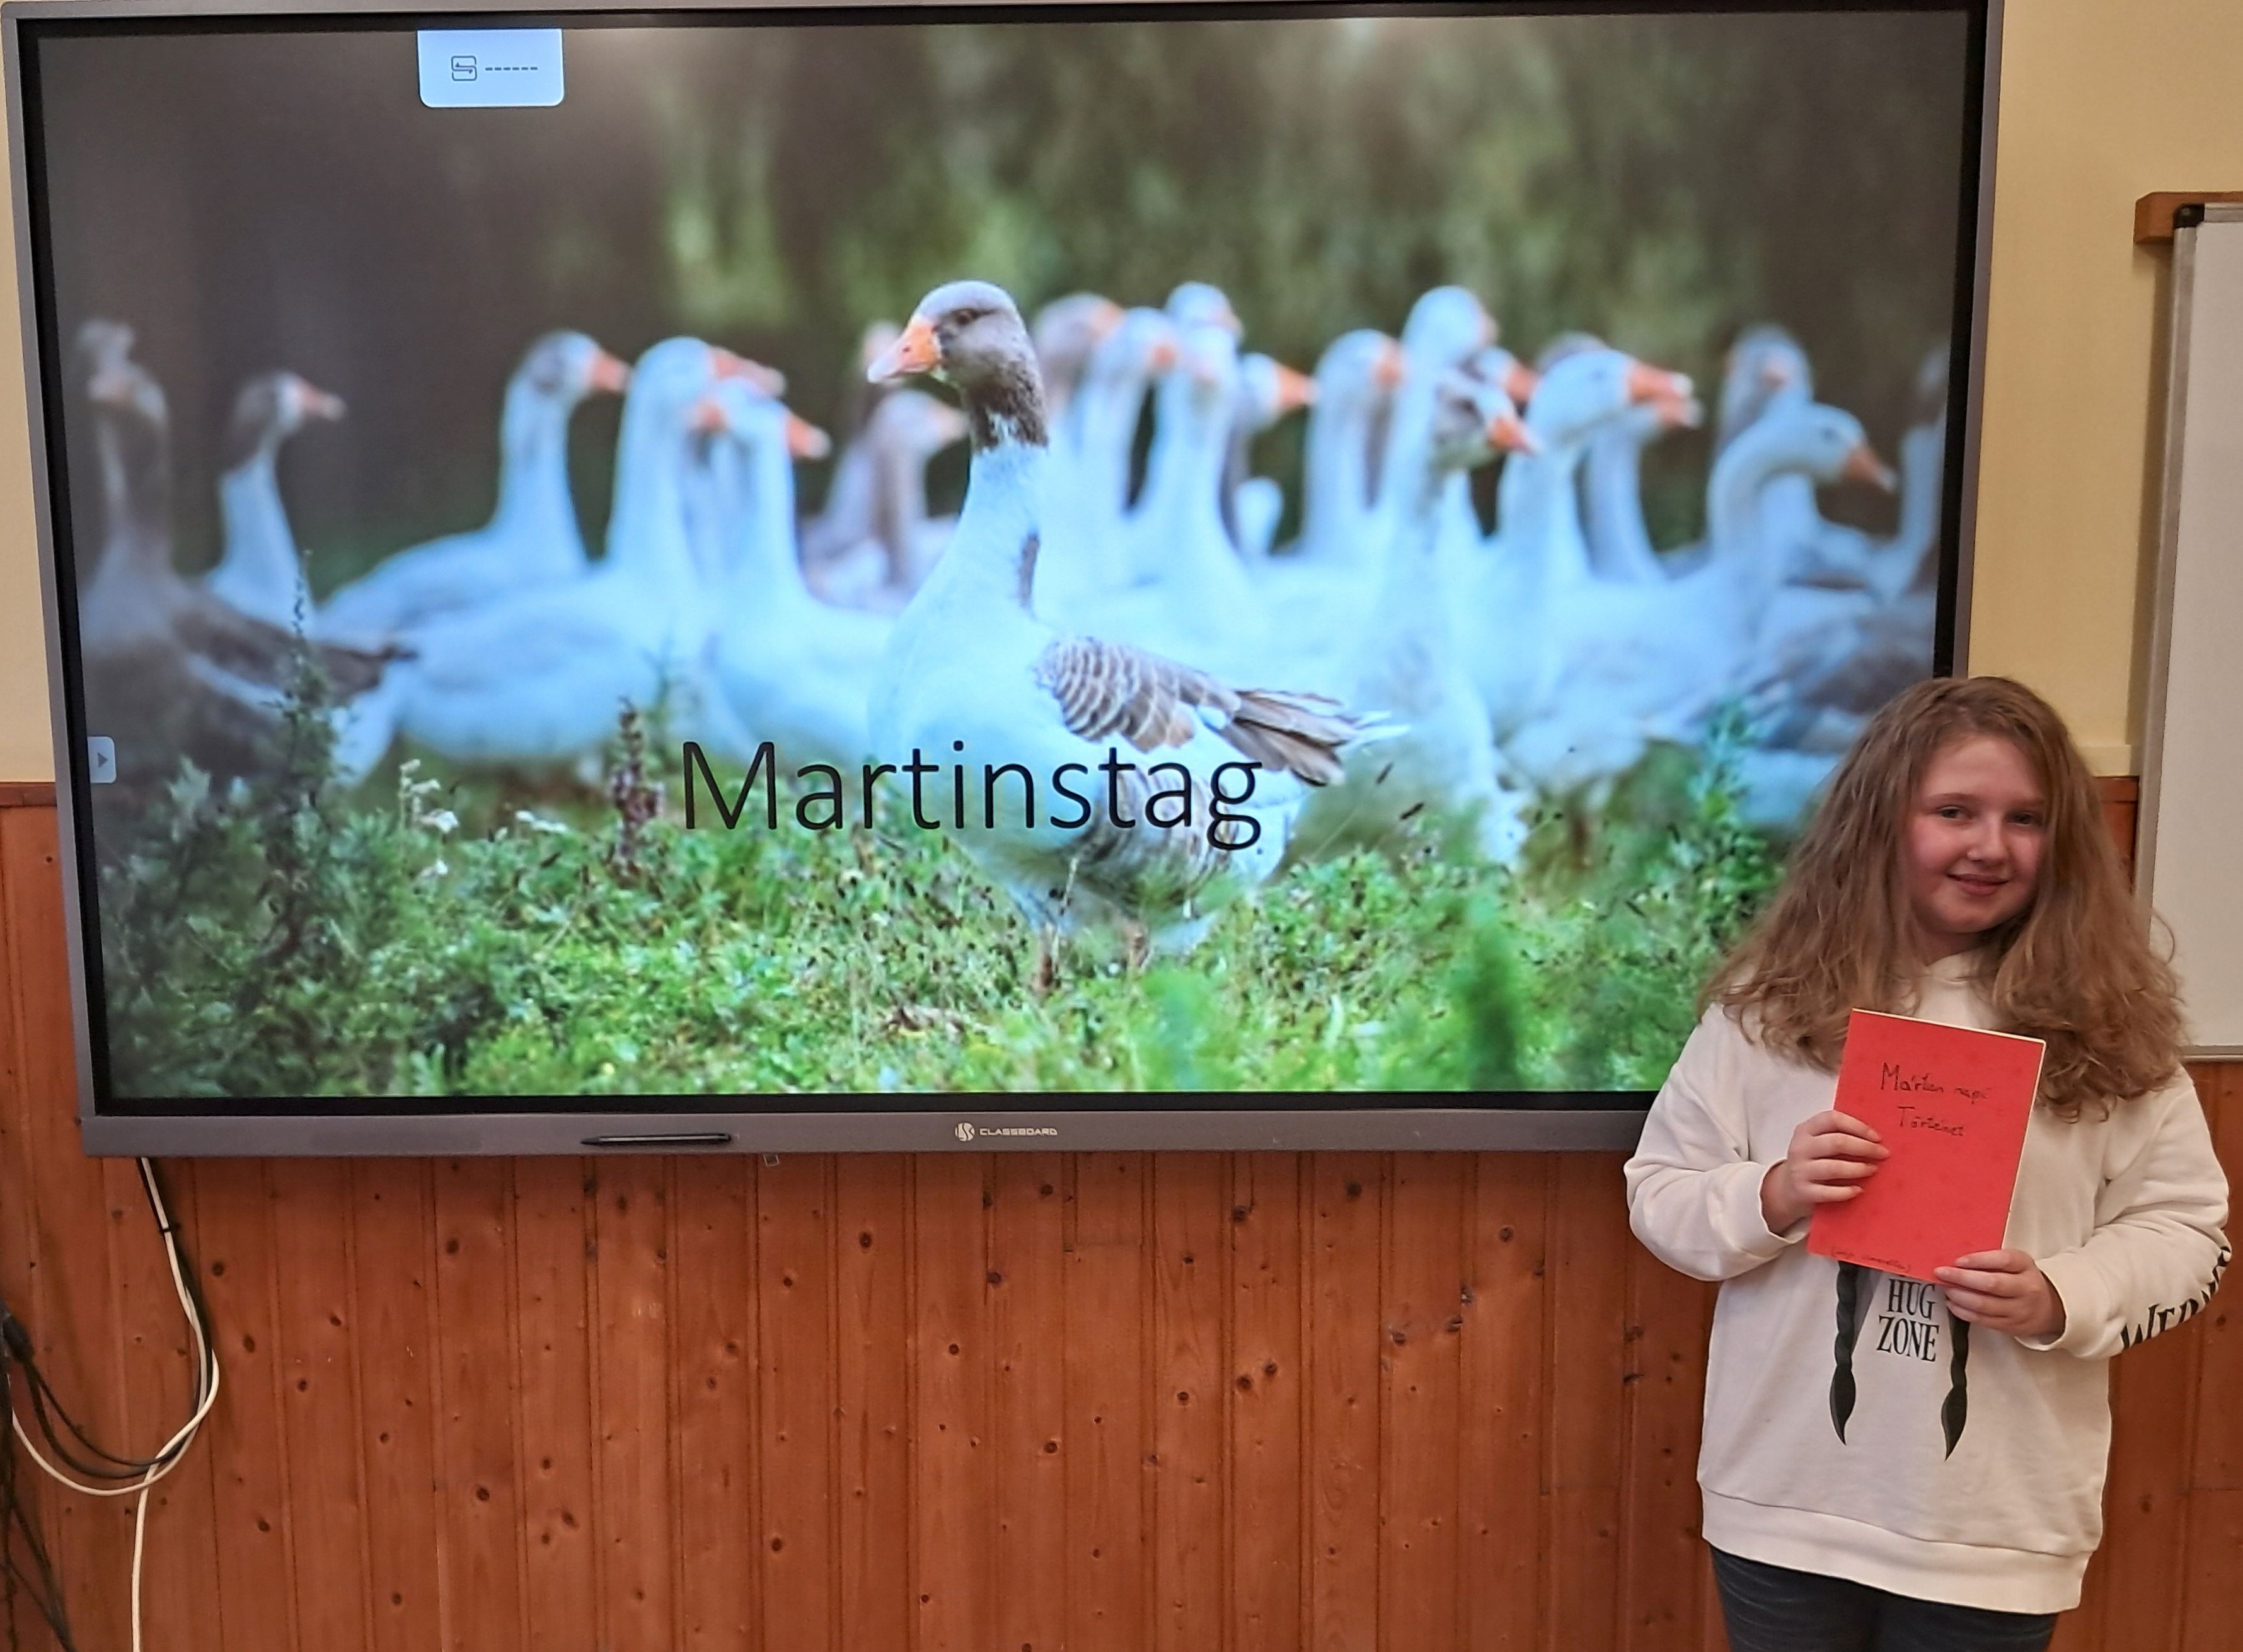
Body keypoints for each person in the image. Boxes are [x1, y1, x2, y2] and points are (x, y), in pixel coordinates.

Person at [1625, 675, 2230, 1651]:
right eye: (1954, 811)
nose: (1991, 845)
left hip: (1994, 1526)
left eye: (2026, 818)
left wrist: (2062, 1295)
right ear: (1879, 821)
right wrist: (1773, 1192)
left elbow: (2190, 1234)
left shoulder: (2111, 1027)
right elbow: (1660, 1196)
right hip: (1786, 1503)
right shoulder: (1765, 1011)